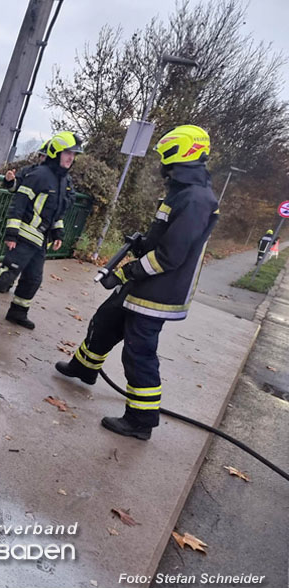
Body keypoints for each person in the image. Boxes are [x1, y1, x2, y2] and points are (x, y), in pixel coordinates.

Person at [55, 124, 219, 441]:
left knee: (139, 353)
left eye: (166, 154)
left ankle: (140, 421)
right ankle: (84, 368)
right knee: (105, 321)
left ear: (182, 153)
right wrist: (142, 243)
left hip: (160, 290)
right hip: (148, 283)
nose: (162, 162)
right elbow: (164, 238)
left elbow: (170, 255)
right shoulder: (183, 191)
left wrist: (126, 272)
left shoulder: (196, 198)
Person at [0, 131, 81, 327]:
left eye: (74, 154)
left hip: (40, 241)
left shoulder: (64, 181)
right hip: (24, 236)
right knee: (7, 275)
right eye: (67, 153)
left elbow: (56, 212)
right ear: (56, 152)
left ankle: (18, 312)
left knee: (33, 279)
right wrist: (11, 233)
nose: (71, 158)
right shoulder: (40, 175)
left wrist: (58, 232)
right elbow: (19, 204)